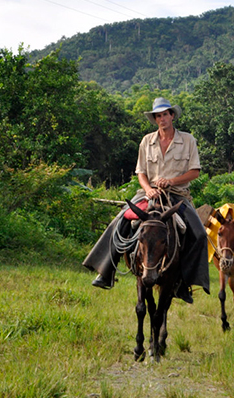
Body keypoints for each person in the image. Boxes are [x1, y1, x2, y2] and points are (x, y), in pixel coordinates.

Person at [82, 97, 210, 303]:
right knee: (121, 220)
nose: (162, 119)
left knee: (199, 234)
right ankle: (106, 271)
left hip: (178, 195)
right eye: (158, 116)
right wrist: (148, 189)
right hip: (148, 194)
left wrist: (171, 181)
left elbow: (194, 172)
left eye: (165, 115)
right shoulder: (146, 141)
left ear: (172, 116)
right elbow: (140, 172)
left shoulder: (188, 140)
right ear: (155, 119)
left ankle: (185, 282)